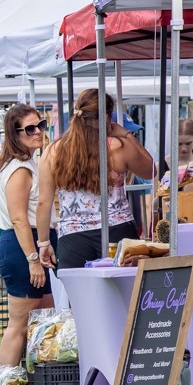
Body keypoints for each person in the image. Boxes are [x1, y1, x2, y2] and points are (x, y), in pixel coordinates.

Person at [37, 89, 154, 272]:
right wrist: (127, 135)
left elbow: (44, 202)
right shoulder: (117, 147)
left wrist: (43, 242)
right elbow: (151, 170)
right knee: (125, 297)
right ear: (107, 117)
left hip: (73, 237)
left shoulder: (53, 152)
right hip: (117, 231)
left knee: (79, 299)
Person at [0, 104, 53, 368]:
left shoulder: (25, 163)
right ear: (15, 134)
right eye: (30, 128)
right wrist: (33, 259)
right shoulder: (21, 170)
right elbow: (18, 219)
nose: (38, 131)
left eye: (41, 125)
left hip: (26, 246)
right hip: (20, 248)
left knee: (44, 316)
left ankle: (32, 380)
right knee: (18, 324)